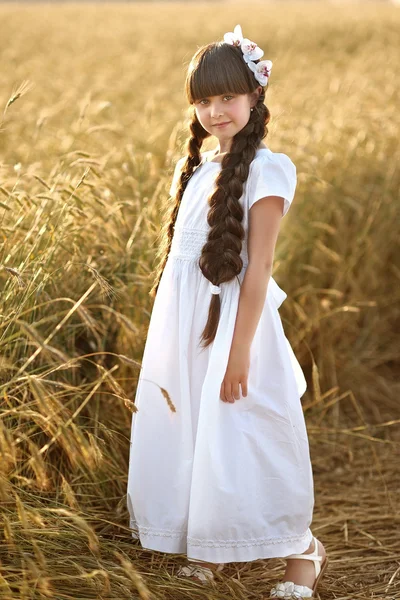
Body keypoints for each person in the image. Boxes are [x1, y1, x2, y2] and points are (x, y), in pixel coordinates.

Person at [127, 24, 329, 599]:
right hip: (187, 326)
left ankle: (302, 551)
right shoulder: (196, 169)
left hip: (238, 329)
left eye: (228, 98)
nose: (216, 111)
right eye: (204, 100)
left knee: (247, 433)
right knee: (193, 431)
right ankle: (210, 546)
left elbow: (258, 269)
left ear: (255, 97)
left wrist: (238, 352)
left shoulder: (268, 169)